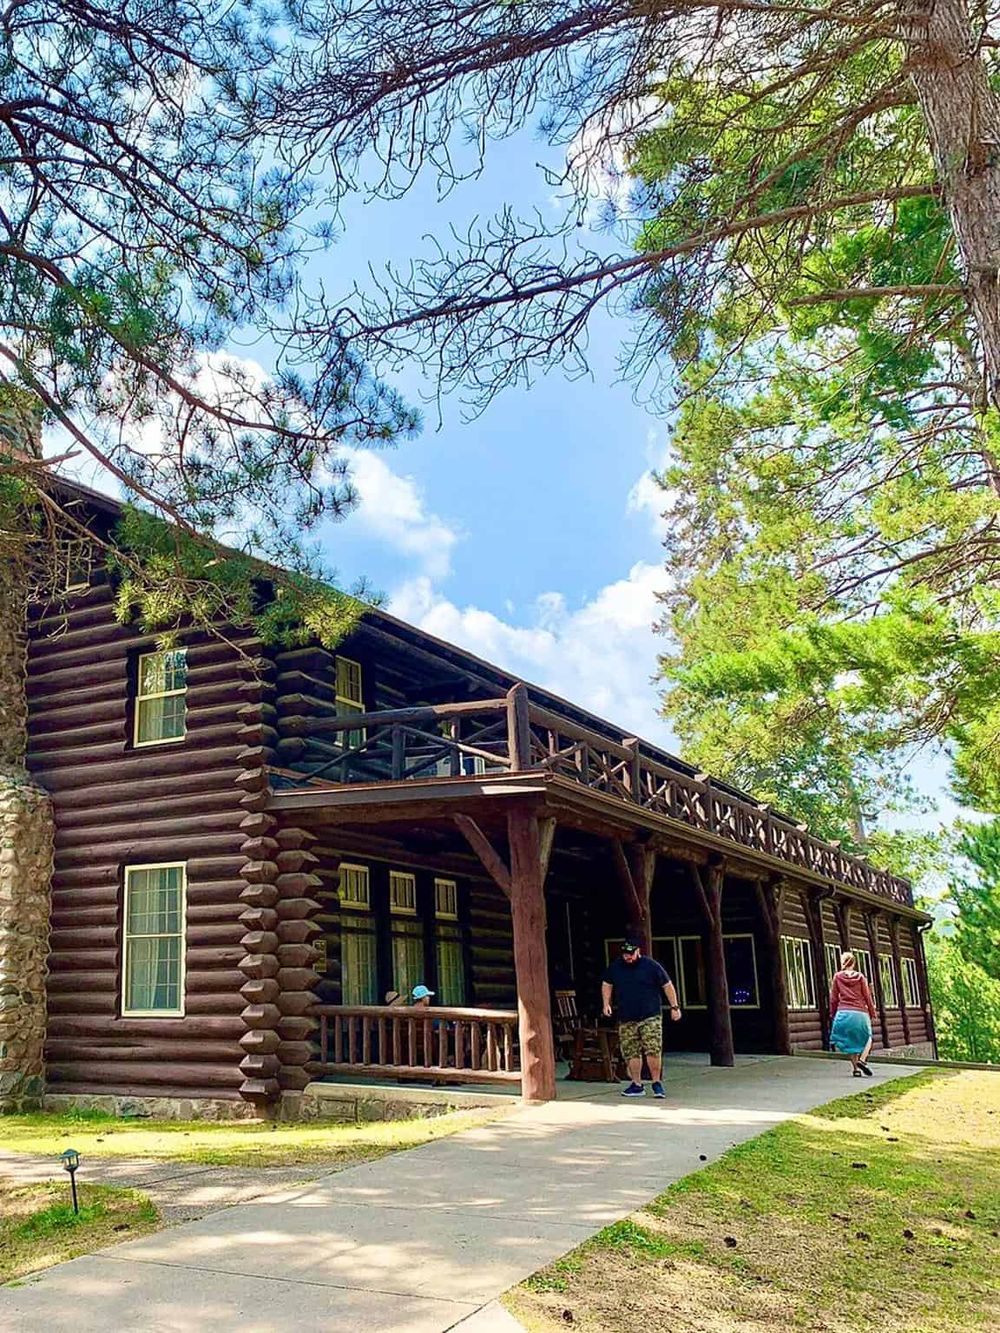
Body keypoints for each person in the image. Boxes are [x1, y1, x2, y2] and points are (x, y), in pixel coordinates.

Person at [601, 939, 681, 1097]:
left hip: (650, 1015)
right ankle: (637, 1084)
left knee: (652, 1049)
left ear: (638, 951)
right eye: (625, 954)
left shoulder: (651, 966)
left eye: (631, 954)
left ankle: (656, 1083)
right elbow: (606, 983)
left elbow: (667, 985)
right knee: (631, 1051)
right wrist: (606, 1003)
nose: (628, 957)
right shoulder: (616, 966)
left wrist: (675, 1007)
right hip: (627, 1016)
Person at [829, 951, 877, 1077]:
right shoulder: (860, 977)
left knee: (850, 1041)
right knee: (869, 1037)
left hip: (843, 1012)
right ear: (854, 963)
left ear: (842, 963)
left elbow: (833, 998)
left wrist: (833, 1014)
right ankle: (862, 1060)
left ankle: (856, 1070)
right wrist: (872, 1012)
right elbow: (867, 996)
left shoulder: (837, 977)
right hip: (859, 1012)